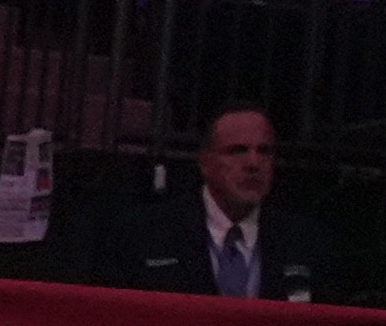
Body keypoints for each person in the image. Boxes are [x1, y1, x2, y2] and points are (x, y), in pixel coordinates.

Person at [94, 103, 327, 301]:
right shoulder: (143, 233)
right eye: (238, 151)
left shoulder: (304, 241)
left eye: (264, 151)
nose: (253, 163)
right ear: (205, 162)